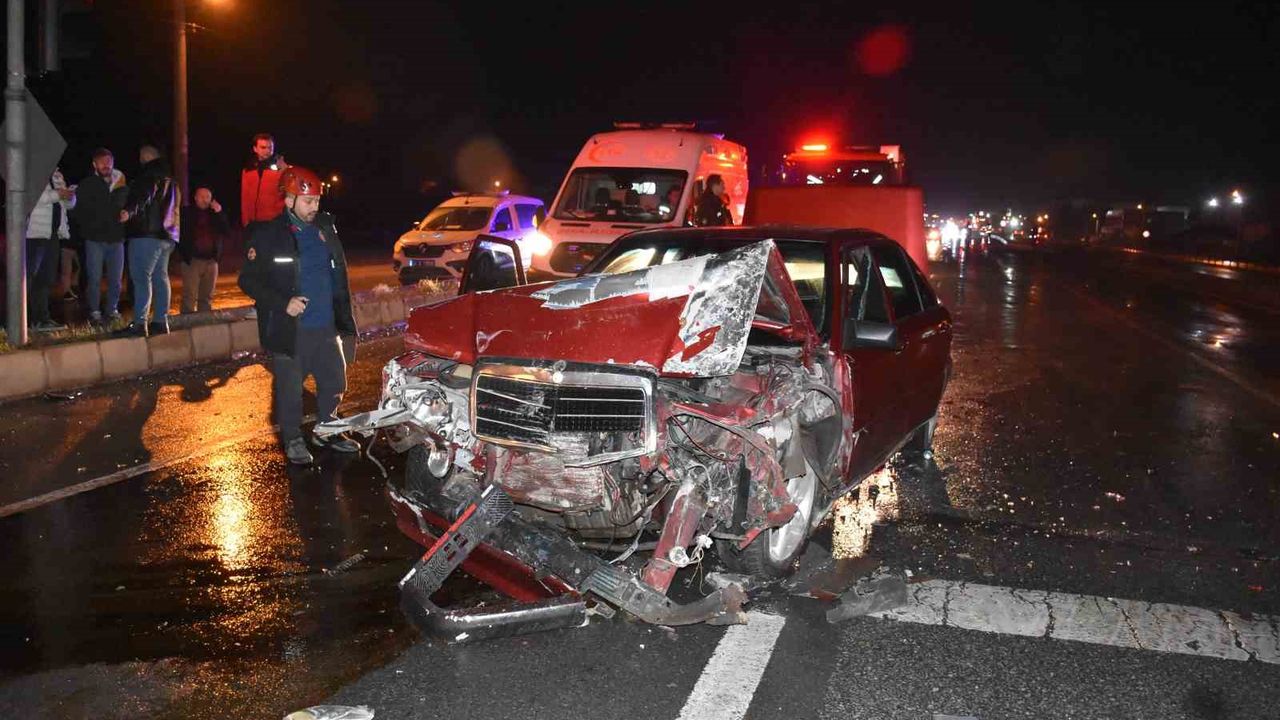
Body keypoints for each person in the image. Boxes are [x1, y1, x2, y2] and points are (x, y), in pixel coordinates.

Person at [238, 166, 359, 465]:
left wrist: (344, 319)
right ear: (289, 199)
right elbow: (248, 280)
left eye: (317, 201)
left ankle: (327, 429)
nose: (314, 207)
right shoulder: (268, 235)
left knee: (334, 382)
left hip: (327, 325)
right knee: (290, 391)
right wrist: (283, 303)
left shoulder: (325, 229)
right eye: (308, 201)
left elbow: (338, 275)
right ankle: (293, 438)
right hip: (291, 328)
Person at [119, 145, 181, 337]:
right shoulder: (172, 180)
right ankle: (161, 322)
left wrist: (128, 211)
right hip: (167, 236)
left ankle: (140, 323)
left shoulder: (148, 175)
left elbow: (143, 195)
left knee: (141, 277)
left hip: (146, 234)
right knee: (160, 277)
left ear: (144, 157)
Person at [73, 148, 129, 324]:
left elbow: (129, 206)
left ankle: (112, 309)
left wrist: (127, 214)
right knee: (94, 278)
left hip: (117, 239)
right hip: (94, 240)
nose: (106, 165)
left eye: (109, 161)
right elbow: (78, 211)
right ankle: (95, 311)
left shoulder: (121, 185)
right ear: (94, 164)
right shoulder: (87, 184)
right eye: (102, 161)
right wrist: (89, 228)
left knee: (116, 279)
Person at [24, 168, 77, 332]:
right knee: (28, 278)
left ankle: (42, 319)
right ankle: (23, 321)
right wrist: (58, 194)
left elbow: (67, 205)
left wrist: (70, 197)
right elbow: (31, 197)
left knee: (46, 278)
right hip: (34, 233)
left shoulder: (57, 175)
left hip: (52, 233)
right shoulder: (31, 172)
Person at [179, 186, 231, 313]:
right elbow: (180, 233)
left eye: (208, 197)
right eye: (202, 197)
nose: (205, 200)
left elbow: (226, 231)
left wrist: (219, 213)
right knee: (189, 295)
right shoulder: (186, 213)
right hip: (192, 261)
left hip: (211, 261)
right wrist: (183, 253)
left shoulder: (215, 214)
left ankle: (205, 320)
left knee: (207, 296)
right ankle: (187, 321)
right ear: (195, 198)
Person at [240, 133, 289, 229]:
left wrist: (286, 170)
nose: (267, 151)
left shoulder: (281, 168)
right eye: (263, 147)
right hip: (252, 222)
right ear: (255, 149)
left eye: (270, 148)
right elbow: (245, 197)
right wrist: (245, 220)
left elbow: (290, 193)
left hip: (273, 223)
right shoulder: (248, 169)